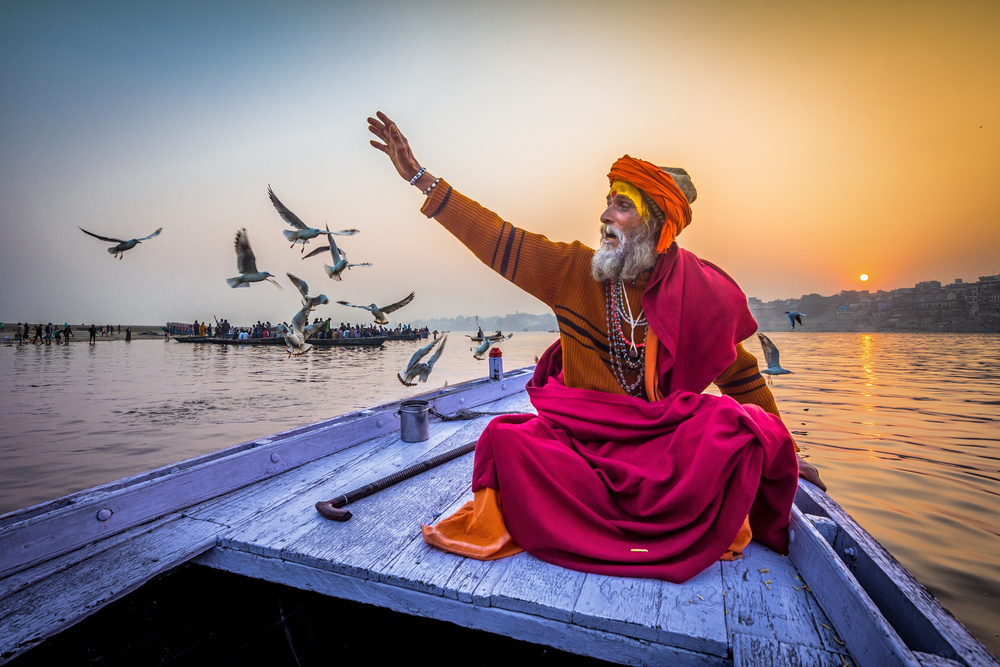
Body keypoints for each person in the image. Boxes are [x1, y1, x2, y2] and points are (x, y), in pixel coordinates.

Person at [367, 112, 825, 583]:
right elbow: (497, 237)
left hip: (653, 452)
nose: (605, 215)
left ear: (657, 225)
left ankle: (620, 517)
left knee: (729, 426)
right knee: (505, 438)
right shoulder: (572, 270)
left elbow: (741, 378)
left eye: (621, 206)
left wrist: (785, 450)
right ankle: (633, 521)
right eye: (607, 204)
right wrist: (421, 178)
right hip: (579, 449)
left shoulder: (697, 294)